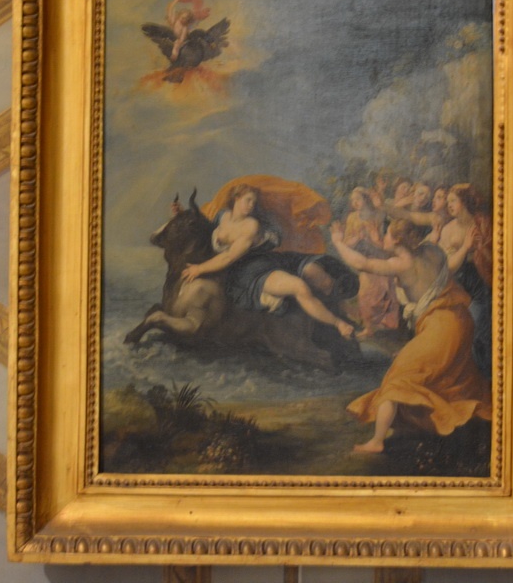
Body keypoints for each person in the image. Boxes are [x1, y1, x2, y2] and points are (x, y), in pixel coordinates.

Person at [329, 218, 491, 453]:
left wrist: (337, 242)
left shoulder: (400, 264)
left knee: (397, 381)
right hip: (459, 322)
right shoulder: (432, 252)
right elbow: (449, 270)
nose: (384, 237)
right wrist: (465, 248)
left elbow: (361, 263)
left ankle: (377, 441)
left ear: (396, 240)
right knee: (445, 379)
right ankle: (417, 426)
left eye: (386, 234)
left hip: (440, 329)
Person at [182, 184, 356, 338]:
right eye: (248, 200)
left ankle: (340, 316)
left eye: (253, 202)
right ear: (236, 198)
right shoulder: (221, 216)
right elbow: (202, 231)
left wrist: (199, 269)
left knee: (310, 275)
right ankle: (338, 322)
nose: (251, 205)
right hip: (243, 274)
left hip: (259, 266)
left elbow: (229, 257)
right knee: (299, 286)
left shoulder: (251, 225)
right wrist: (181, 213)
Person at [438, 184, 493, 376]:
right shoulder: (447, 229)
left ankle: (482, 376)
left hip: (480, 282)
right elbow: (447, 268)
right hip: (457, 284)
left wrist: (480, 248)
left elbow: (497, 261)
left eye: (453, 201)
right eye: (447, 202)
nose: (449, 205)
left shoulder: (483, 224)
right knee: (455, 331)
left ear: (465, 201)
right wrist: (466, 248)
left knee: (477, 332)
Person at [341, 187, 400, 337]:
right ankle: (369, 328)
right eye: (353, 200)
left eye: (358, 199)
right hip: (365, 261)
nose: (355, 203)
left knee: (384, 293)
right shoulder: (352, 218)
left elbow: (387, 244)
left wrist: (374, 239)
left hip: (381, 259)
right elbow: (346, 242)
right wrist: (357, 238)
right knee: (365, 295)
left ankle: (383, 326)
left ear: (366, 200)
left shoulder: (379, 215)